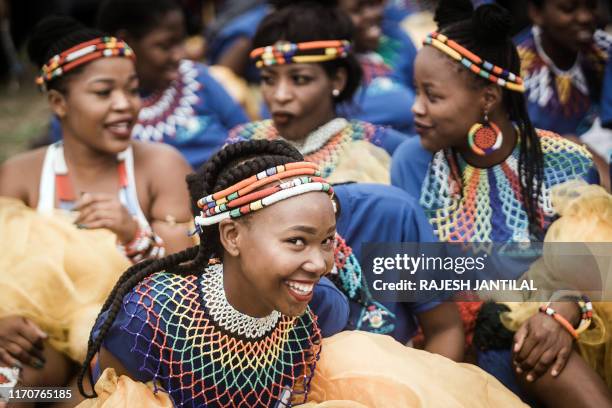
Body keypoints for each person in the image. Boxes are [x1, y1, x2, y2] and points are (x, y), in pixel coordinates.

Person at [76, 140, 526, 408]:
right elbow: (103, 394)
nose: (320, 262)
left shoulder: (325, 301)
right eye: (297, 241)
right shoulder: (149, 313)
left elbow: (445, 323)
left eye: (328, 239)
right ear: (231, 237)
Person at [390, 1, 610, 406]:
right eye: (417, 91)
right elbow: (418, 280)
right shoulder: (413, 161)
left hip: (563, 336)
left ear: (488, 98)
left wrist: (560, 313)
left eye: (432, 96)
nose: (416, 108)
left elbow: (595, 269)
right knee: (502, 327)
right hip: (454, 341)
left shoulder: (567, 163)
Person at [0, 15, 193, 402]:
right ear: (59, 103)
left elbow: (189, 270)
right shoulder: (22, 174)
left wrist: (132, 233)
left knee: (86, 396)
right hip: (43, 354)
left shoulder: (160, 166)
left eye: (132, 90)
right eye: (104, 92)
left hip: (130, 351)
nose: (125, 105)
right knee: (13, 389)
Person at [49, 0, 249, 170]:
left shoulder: (198, 78)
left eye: (181, 42)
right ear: (126, 41)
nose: (179, 54)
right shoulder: (83, 108)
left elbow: (247, 134)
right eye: (165, 45)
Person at [228, 2, 407, 184]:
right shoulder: (241, 144)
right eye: (269, 79)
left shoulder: (377, 145)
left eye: (299, 79)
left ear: (338, 80)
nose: (280, 95)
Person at [331, 183, 465, 360]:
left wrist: (422, 385)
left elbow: (444, 328)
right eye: (295, 242)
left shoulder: (392, 213)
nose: (316, 263)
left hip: (400, 371)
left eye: (326, 240)